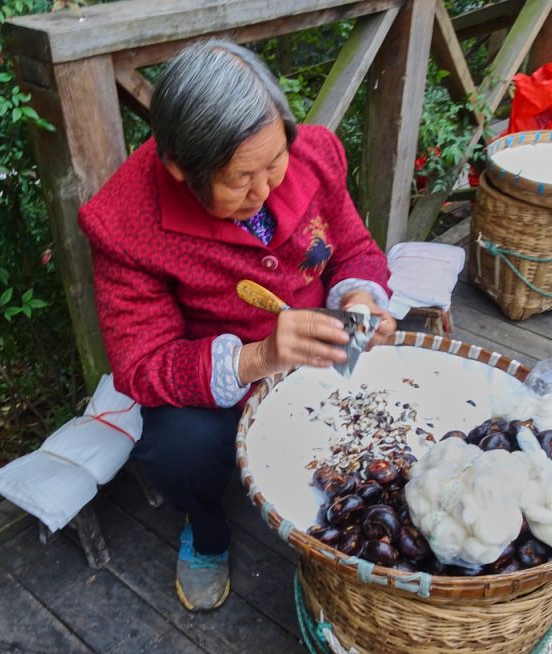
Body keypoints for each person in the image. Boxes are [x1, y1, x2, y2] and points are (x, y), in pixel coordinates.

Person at [78, 39, 396, 612]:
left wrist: (357, 298)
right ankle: (206, 530)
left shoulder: (312, 155)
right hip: (217, 379)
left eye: (274, 164)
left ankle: (340, 502)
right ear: (181, 169)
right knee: (178, 451)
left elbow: (353, 248)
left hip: (322, 345)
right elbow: (143, 364)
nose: (266, 189)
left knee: (388, 417)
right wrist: (256, 359)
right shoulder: (126, 224)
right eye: (240, 180)